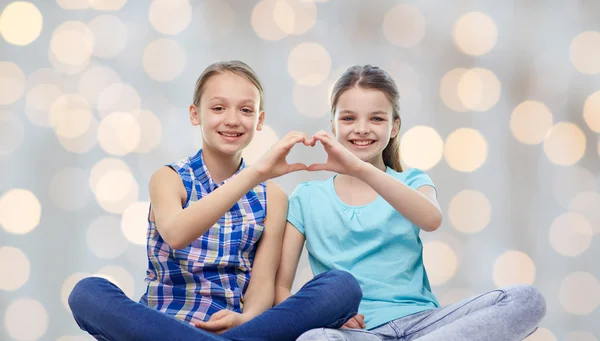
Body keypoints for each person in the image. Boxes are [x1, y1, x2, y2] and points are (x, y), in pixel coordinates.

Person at [68, 60, 361, 341]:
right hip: (161, 324)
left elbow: (263, 285)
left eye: (245, 110)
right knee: (87, 292)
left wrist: (247, 319)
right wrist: (256, 173)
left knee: (342, 287)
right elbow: (177, 234)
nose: (232, 120)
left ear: (259, 120)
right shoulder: (169, 179)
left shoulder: (273, 197)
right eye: (218, 108)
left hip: (237, 327)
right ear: (196, 114)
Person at [274, 64, 546, 341]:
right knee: (314, 339)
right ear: (333, 125)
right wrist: (325, 315)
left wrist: (360, 168)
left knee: (526, 299)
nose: (362, 129)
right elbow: (281, 288)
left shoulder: (413, 181)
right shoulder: (306, 197)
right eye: (349, 118)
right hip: (356, 335)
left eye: (377, 119)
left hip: (426, 325)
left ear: (394, 127)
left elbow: (431, 219)